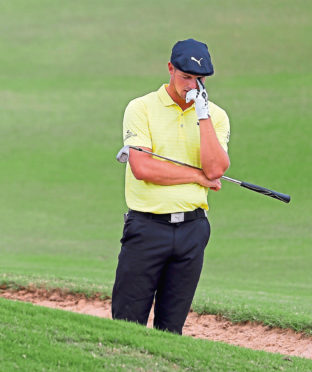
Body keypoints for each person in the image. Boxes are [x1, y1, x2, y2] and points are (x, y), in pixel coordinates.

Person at [111, 38, 231, 334]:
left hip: (192, 230)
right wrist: (196, 177)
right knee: (127, 326)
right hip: (146, 229)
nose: (192, 85)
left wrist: (201, 114)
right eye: (186, 77)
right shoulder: (141, 108)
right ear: (170, 69)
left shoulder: (215, 116)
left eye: (199, 79)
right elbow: (143, 168)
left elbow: (215, 168)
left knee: (171, 330)